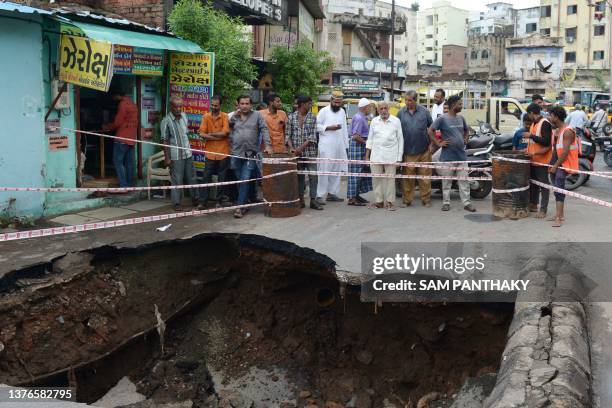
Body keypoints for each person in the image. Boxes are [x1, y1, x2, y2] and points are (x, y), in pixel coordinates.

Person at [428, 95, 476, 213]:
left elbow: (466, 130)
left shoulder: (461, 118)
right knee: (446, 182)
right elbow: (430, 131)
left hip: (461, 157)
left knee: (464, 181)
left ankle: (467, 203)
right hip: (447, 157)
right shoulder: (442, 119)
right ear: (453, 105)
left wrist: (465, 138)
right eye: (459, 104)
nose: (461, 106)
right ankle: (446, 203)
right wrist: (439, 143)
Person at [229, 95, 272, 218]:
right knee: (240, 180)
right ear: (238, 105)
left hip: (250, 154)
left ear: (250, 105)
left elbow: (264, 129)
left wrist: (267, 145)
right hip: (236, 153)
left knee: (244, 179)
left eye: (247, 103)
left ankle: (239, 207)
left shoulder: (257, 115)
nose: (244, 106)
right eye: (242, 103)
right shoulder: (234, 116)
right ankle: (245, 202)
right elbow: (228, 128)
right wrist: (234, 116)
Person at [160, 97, 199, 211]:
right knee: (177, 179)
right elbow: (165, 140)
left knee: (192, 176)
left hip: (187, 153)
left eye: (180, 106)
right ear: (171, 106)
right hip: (176, 156)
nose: (178, 109)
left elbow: (185, 134)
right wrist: (167, 158)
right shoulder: (166, 121)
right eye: (176, 106)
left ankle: (195, 198)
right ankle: (176, 203)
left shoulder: (184, 117)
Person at [286, 94, 323, 210]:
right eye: (309, 103)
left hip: (310, 152)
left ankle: (313, 200)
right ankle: (301, 200)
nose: (311, 105)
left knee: (313, 176)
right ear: (302, 104)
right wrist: (292, 148)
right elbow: (287, 135)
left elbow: (313, 137)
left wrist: (300, 148)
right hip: (296, 154)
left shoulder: (312, 117)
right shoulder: (291, 117)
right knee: (299, 177)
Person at [397, 90, 434, 207]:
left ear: (415, 100)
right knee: (408, 178)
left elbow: (431, 128)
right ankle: (407, 200)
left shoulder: (424, 112)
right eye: (406, 100)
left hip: (424, 151)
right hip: (408, 151)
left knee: (425, 178)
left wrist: (432, 145)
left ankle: (426, 200)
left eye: (410, 100)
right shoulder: (401, 113)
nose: (407, 102)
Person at [366, 101, 403, 211]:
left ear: (389, 109)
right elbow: (370, 139)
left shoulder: (396, 121)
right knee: (376, 179)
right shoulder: (374, 121)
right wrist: (367, 156)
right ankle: (379, 202)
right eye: (381, 109)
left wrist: (399, 159)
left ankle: (390, 202)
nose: (383, 111)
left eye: (385, 108)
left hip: (391, 155)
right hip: (376, 155)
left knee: (390, 180)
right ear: (378, 110)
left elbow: (400, 140)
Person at [547, 106, 579, 227]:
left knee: (559, 188)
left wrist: (555, 165)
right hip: (558, 163)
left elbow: (565, 152)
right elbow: (557, 148)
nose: (549, 118)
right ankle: (559, 215)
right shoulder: (559, 130)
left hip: (564, 164)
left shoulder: (568, 131)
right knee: (557, 189)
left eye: (550, 115)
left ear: (555, 116)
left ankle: (559, 218)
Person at [315, 90, 349, 204]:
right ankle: (319, 195)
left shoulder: (342, 112)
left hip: (339, 146)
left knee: (336, 169)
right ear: (331, 100)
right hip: (326, 146)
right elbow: (316, 126)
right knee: (324, 170)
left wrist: (346, 147)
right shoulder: (323, 111)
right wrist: (329, 127)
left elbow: (344, 130)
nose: (337, 105)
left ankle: (332, 193)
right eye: (335, 102)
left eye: (339, 103)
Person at [198, 95, 230, 209]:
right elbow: (201, 134)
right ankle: (203, 202)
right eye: (212, 105)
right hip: (210, 152)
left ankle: (219, 201)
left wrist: (210, 135)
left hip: (223, 152)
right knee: (206, 177)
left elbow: (225, 133)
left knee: (222, 177)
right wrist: (217, 136)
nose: (214, 107)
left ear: (220, 105)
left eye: (216, 105)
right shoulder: (206, 117)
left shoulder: (225, 116)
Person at [103, 90, 138, 189]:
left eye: (113, 97)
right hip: (131, 138)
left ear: (117, 95)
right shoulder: (133, 104)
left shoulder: (122, 104)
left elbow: (118, 122)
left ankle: (123, 185)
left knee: (118, 162)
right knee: (129, 163)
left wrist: (107, 126)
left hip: (122, 138)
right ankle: (130, 184)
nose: (113, 99)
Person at [525, 102, 553, 218]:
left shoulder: (545, 123)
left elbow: (546, 142)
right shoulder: (533, 124)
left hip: (542, 160)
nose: (528, 116)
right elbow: (532, 143)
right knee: (534, 184)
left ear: (532, 113)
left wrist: (530, 136)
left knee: (543, 185)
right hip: (533, 159)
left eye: (528, 114)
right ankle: (533, 205)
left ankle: (543, 210)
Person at [347, 98, 373, 206]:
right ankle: (352, 198)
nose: (370, 109)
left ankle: (356, 195)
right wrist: (366, 143)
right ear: (365, 107)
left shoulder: (363, 117)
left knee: (361, 172)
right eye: (369, 107)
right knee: (356, 173)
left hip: (360, 146)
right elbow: (356, 136)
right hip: (357, 146)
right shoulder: (359, 118)